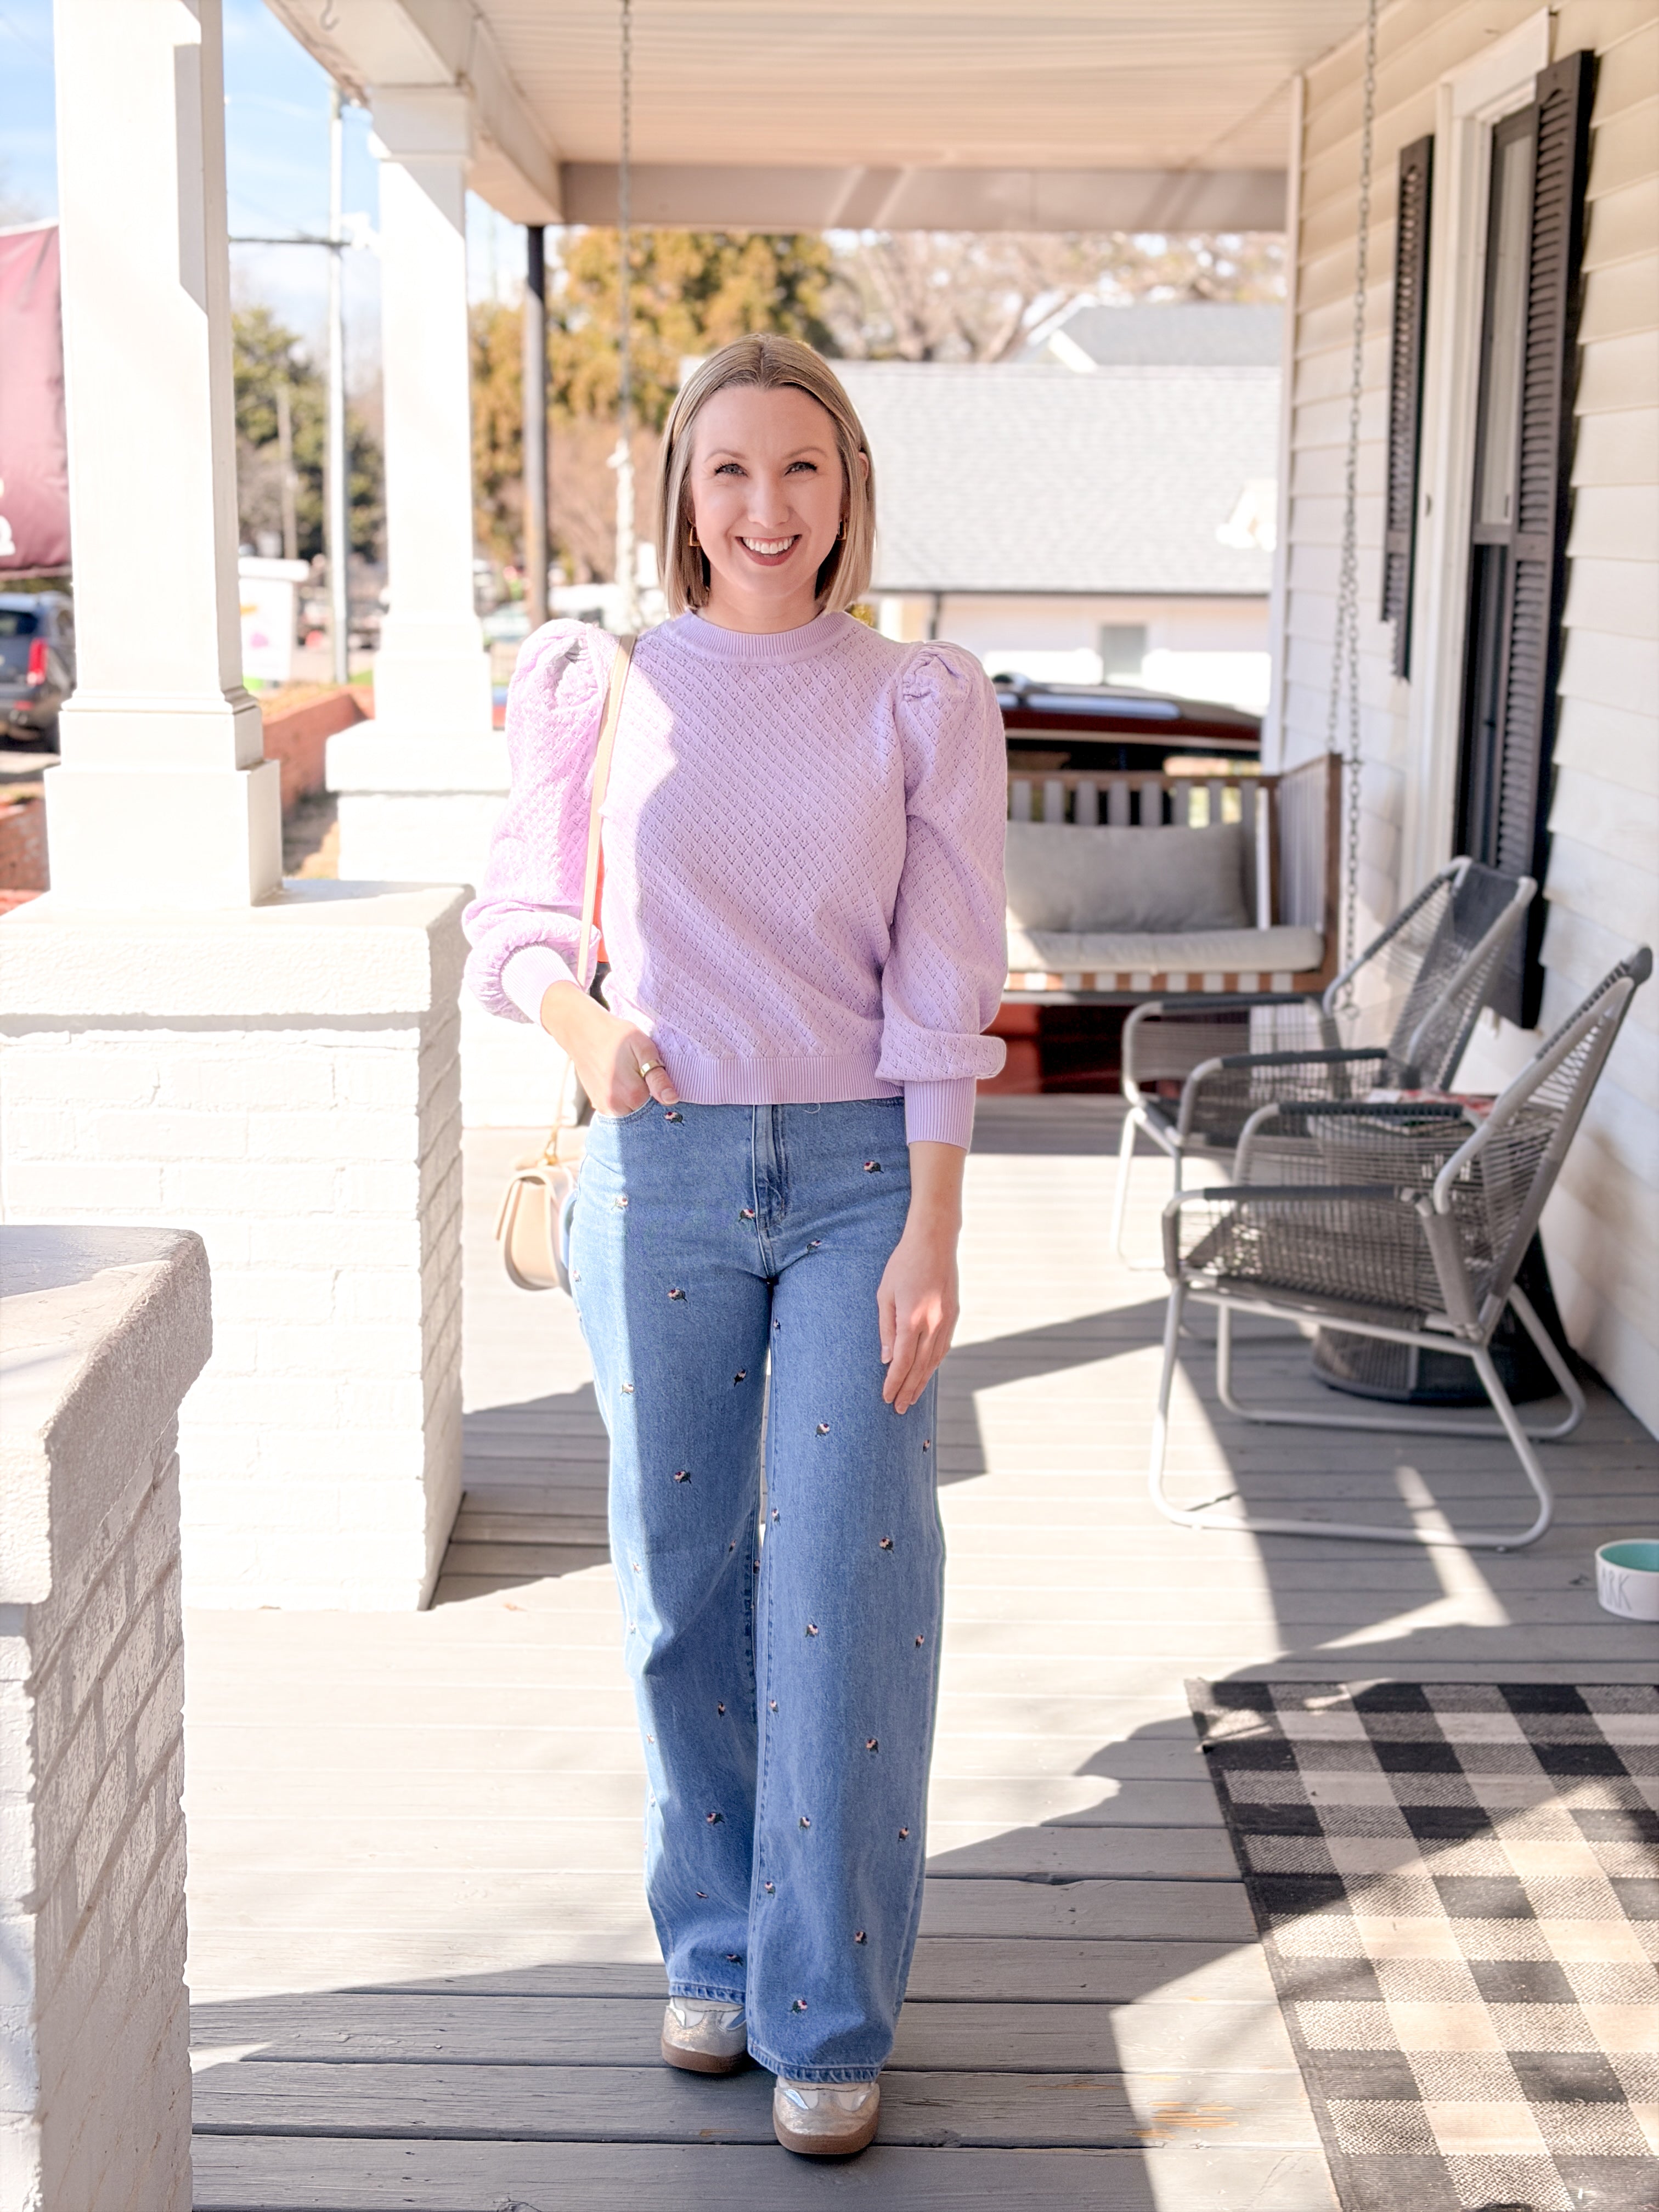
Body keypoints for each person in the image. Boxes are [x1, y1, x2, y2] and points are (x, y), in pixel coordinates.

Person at [463, 334, 1007, 2158]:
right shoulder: (596, 684)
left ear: (848, 490)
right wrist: (585, 1033)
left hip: (865, 1178)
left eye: (802, 470)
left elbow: (947, 979)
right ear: (683, 496)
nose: (765, 508)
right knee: (681, 1578)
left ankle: (826, 2008)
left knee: (848, 1580)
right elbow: (525, 923)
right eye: (728, 473)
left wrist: (936, 1224)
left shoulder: (922, 697)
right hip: (661, 1165)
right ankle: (709, 1941)